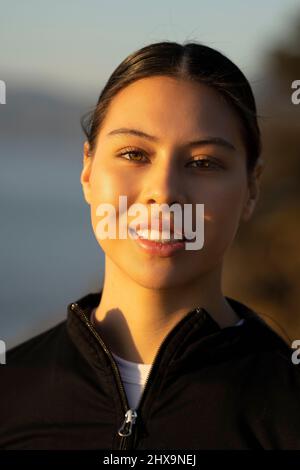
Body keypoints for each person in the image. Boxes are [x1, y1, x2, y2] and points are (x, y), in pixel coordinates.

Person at [1, 40, 300, 451]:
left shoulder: (287, 410)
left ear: (251, 187)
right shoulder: (11, 393)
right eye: (134, 154)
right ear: (88, 170)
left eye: (203, 162)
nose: (163, 192)